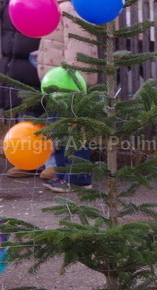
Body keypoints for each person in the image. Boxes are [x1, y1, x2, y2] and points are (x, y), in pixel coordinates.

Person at [36, 0, 98, 192]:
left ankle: (78, 178)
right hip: (57, 83)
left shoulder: (73, 10)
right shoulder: (56, 9)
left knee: (73, 131)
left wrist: (72, 78)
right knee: (61, 131)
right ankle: (64, 173)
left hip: (69, 84)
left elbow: (77, 48)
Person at [0, 0, 42, 178]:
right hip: (15, 60)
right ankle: (28, 160)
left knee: (41, 112)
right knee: (25, 112)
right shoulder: (9, 4)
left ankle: (51, 161)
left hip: (36, 60)